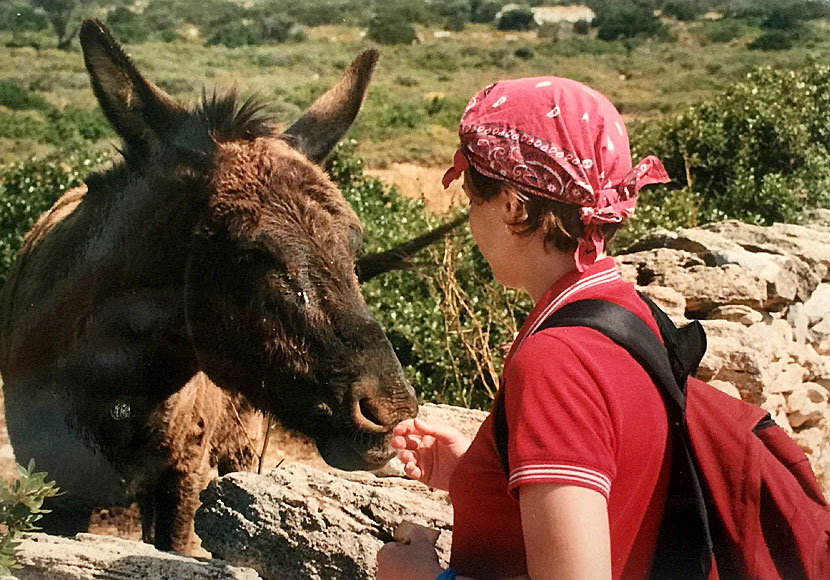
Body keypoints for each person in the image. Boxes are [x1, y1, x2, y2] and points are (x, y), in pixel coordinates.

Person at [375, 76, 672, 580]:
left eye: (473, 200)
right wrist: (479, 472)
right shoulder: (631, 313)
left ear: (513, 206)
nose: (472, 220)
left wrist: (422, 578)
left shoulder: (556, 361)